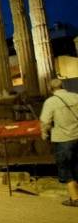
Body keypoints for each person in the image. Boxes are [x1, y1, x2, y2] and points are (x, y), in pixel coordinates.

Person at [39, 78, 78, 207]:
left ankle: (75, 198)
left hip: (63, 139)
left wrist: (44, 135)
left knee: (66, 168)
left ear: (50, 89)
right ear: (63, 85)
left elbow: (45, 121)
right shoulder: (75, 97)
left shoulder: (51, 102)